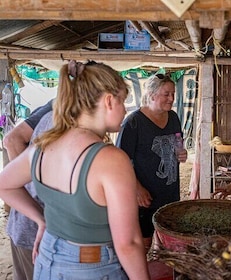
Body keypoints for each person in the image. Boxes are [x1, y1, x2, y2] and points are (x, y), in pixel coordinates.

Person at [0, 60, 150, 279]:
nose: (125, 109)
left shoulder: (42, 148)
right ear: (108, 101)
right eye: (122, 101)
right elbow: (128, 243)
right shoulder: (111, 159)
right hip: (93, 268)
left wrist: (41, 219)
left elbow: (4, 185)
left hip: (47, 263)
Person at [116, 73, 188, 251]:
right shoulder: (133, 123)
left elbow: (178, 140)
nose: (172, 98)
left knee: (167, 236)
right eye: (166, 94)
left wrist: (181, 151)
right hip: (145, 196)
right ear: (152, 95)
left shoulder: (173, 117)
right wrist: (137, 188)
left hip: (170, 191)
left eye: (173, 94)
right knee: (144, 240)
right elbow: (120, 162)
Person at [3, 101, 53, 280]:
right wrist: (31, 190)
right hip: (34, 223)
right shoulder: (58, 108)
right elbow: (11, 140)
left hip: (27, 221)